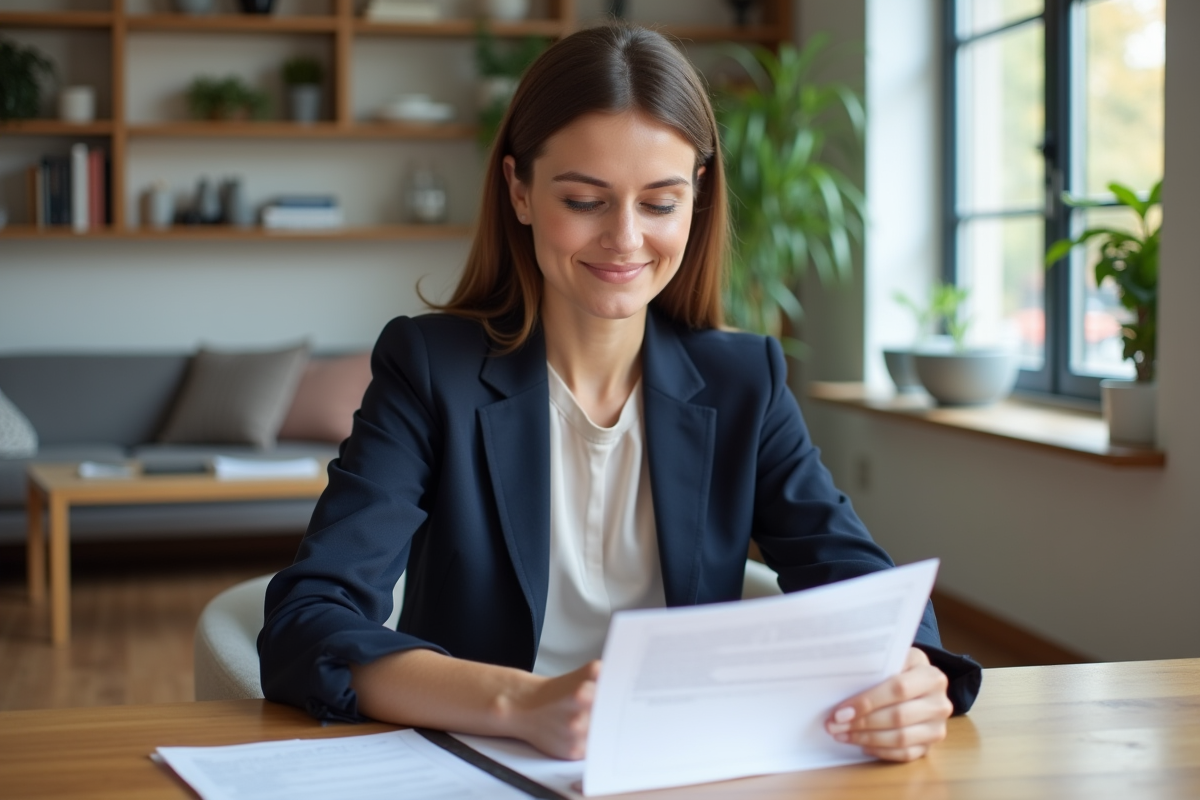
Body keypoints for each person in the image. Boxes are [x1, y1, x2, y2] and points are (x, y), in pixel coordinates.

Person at [259, 23, 981, 765]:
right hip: (477, 765)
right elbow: (308, 619)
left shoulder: (743, 382)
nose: (625, 240)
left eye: (660, 203)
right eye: (585, 200)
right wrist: (521, 702)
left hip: (688, 767)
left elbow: (861, 583)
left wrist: (915, 675)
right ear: (520, 190)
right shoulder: (429, 369)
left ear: (697, 198)